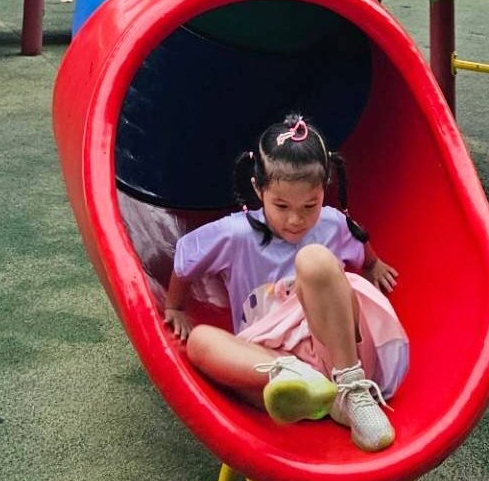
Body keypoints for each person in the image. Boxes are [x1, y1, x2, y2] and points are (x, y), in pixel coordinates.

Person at [162, 114, 406, 451]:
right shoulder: (236, 234)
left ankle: (352, 391)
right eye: (281, 205)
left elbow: (356, 239)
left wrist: (374, 264)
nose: (296, 219)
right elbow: (187, 256)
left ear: (324, 189)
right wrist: (175, 306)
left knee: (314, 259)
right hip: (270, 361)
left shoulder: (331, 223)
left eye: (310, 205)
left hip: (336, 349)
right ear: (258, 189)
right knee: (200, 341)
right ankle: (309, 388)